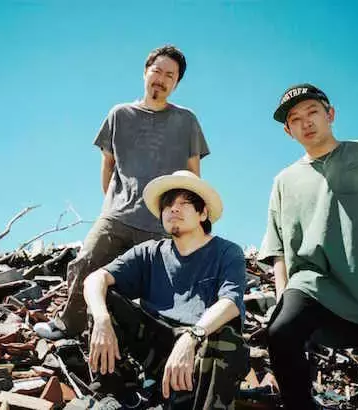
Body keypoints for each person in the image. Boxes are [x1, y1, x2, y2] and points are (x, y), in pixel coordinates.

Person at [259, 84, 358, 409]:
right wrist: (282, 299)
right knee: (282, 332)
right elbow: (278, 249)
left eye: (313, 112)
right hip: (314, 285)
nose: (306, 122)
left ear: (330, 114)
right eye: (295, 119)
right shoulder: (283, 181)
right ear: (288, 131)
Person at [35, 45, 209, 339]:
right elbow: (108, 164)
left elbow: (193, 175)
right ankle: (69, 326)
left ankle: (156, 345)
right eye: (157, 71)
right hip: (118, 215)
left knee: (162, 288)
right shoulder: (119, 114)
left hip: (162, 223)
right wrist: (112, 204)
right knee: (86, 261)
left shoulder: (187, 120)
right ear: (145, 72)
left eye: (170, 76)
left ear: (176, 84)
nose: (161, 79)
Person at [83, 170, 249, 409]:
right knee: (103, 299)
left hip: (198, 350)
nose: (174, 209)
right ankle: (118, 395)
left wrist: (191, 337)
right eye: (168, 205)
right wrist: (102, 319)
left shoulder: (227, 252)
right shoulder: (150, 252)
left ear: (203, 213)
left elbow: (230, 302)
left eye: (184, 203)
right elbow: (94, 279)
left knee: (226, 338)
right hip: (156, 346)